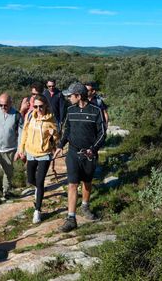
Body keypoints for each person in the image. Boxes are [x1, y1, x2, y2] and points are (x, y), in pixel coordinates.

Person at [53, 82, 106, 232]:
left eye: (70, 95)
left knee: (87, 182)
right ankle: (71, 218)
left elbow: (102, 134)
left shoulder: (96, 111)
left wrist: (93, 149)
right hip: (73, 153)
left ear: (78, 96)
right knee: (72, 184)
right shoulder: (70, 110)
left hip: (89, 155)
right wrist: (60, 146)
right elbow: (67, 131)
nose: (68, 98)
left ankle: (85, 206)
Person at [17, 95, 59, 224]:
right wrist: (21, 148)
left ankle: (37, 211)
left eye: (41, 106)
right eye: (35, 106)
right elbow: (25, 132)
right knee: (31, 179)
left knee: (40, 181)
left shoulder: (51, 119)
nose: (38, 109)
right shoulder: (30, 116)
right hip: (30, 152)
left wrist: (54, 135)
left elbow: (57, 137)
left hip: (44, 154)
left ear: (46, 105)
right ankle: (38, 189)